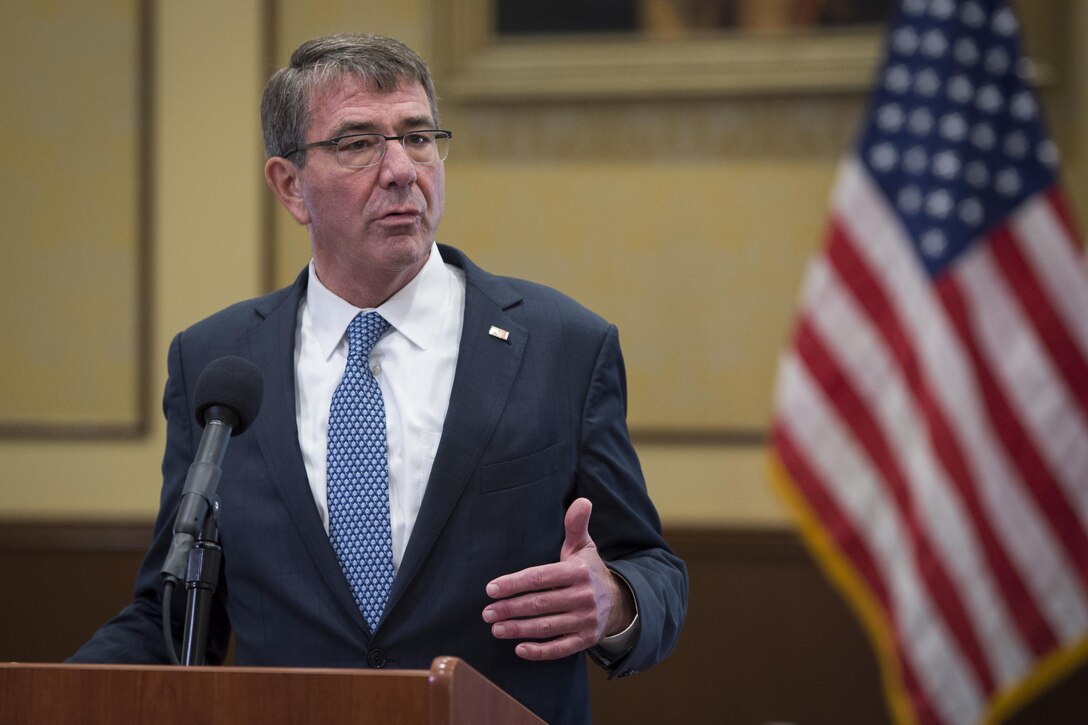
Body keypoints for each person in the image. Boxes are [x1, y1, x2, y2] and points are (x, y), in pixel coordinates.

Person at [70, 33, 687, 724]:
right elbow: (176, 613)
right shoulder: (215, 363)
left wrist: (616, 603)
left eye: (418, 136)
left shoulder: (563, 346)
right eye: (357, 143)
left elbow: (652, 568)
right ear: (290, 185)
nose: (401, 169)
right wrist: (49, 696)